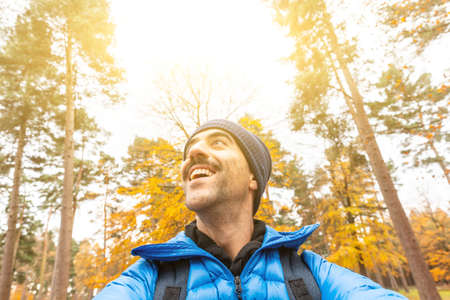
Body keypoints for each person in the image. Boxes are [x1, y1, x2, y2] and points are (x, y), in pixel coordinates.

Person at [94, 119, 406, 299]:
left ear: (252, 178)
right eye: (190, 150)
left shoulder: (310, 273)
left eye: (218, 143)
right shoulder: (148, 280)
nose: (194, 153)